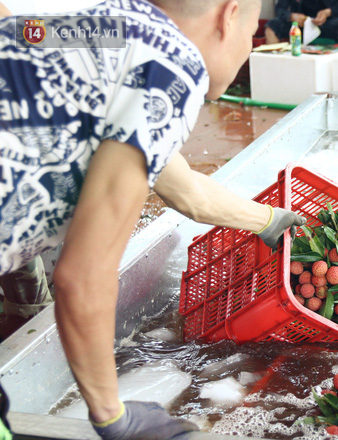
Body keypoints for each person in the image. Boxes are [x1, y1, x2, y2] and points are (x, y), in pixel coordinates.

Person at [0, 0, 305, 438]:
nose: (247, 50)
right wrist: (112, 414)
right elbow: (82, 276)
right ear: (229, 15)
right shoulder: (170, 70)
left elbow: (186, 190)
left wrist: (271, 221)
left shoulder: (114, 30)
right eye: (253, 31)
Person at [265, 0, 338, 49]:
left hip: (328, 22)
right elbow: (280, 9)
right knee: (271, 28)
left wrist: (329, 12)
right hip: (301, 24)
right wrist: (291, 16)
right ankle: (275, 69)